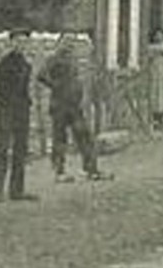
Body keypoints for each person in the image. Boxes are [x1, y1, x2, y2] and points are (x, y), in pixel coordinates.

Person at [36, 33, 109, 182]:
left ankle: (90, 169)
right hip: (59, 106)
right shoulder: (54, 59)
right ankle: (59, 172)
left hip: (74, 106)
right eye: (66, 42)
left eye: (72, 43)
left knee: (84, 137)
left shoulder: (72, 60)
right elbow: (41, 75)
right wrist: (55, 85)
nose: (69, 45)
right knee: (60, 139)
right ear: (60, 43)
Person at [0, 28, 35, 202]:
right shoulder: (4, 64)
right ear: (11, 43)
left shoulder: (26, 65)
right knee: (2, 148)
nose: (21, 45)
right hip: (7, 111)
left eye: (24, 42)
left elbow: (24, 90)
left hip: (22, 112)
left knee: (20, 150)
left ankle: (17, 190)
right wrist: (5, 103)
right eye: (17, 41)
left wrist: (26, 103)